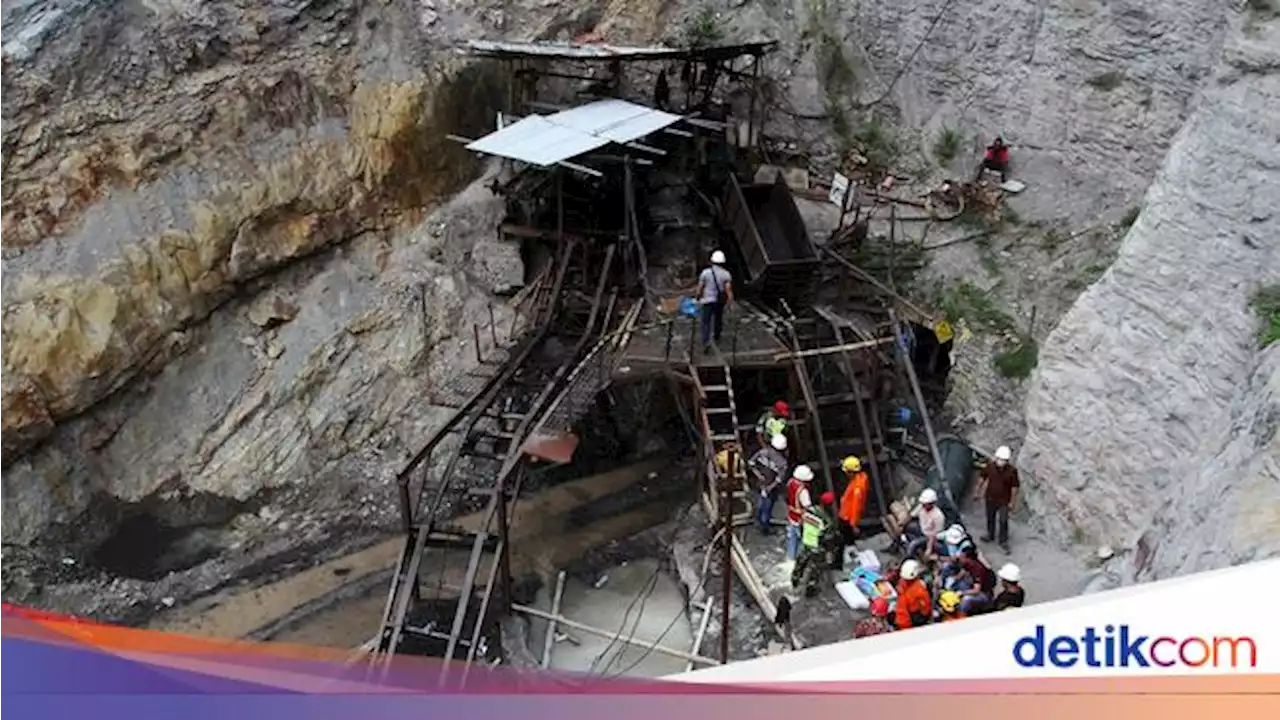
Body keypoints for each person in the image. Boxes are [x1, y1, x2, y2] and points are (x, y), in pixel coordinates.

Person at [792, 491, 839, 597]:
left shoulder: (809, 511)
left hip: (805, 542)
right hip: (817, 547)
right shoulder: (826, 521)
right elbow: (828, 539)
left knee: (800, 564)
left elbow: (801, 524)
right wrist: (830, 552)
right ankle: (810, 590)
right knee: (815, 570)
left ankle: (795, 581)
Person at [974, 445, 1020, 553]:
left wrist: (1012, 502)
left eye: (1003, 460)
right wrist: (977, 491)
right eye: (999, 459)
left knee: (1003, 520)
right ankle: (990, 535)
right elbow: (982, 478)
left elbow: (1014, 487)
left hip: (1004, 500)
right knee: (990, 517)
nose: (1001, 462)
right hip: (990, 498)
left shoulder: (1012, 471)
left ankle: (1003, 541)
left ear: (1007, 461)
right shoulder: (990, 466)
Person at [748, 434, 790, 536]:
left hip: (760, 483)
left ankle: (757, 521)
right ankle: (765, 528)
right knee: (767, 507)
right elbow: (779, 479)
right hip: (771, 487)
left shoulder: (763, 452)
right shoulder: (782, 463)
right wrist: (770, 488)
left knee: (760, 503)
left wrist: (758, 475)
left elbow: (751, 463)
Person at [695, 250, 733, 351]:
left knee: (705, 322)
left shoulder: (705, 273)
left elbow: (700, 288)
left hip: (707, 300)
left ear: (712, 261)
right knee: (718, 319)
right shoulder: (726, 274)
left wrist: (697, 298)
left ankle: (706, 341)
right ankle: (717, 336)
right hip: (719, 301)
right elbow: (728, 290)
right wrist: (730, 303)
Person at [784, 464, 815, 561]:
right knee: (801, 539)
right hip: (800, 518)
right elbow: (807, 507)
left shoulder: (790, 482)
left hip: (791, 514)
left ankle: (790, 557)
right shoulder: (803, 491)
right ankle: (799, 559)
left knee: (791, 538)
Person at [905, 488, 947, 559]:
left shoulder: (938, 516)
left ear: (932, 503)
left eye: (926, 504)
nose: (924, 505)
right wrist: (902, 524)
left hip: (929, 537)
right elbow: (911, 516)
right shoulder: (921, 507)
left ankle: (909, 559)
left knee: (913, 545)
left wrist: (929, 548)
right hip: (921, 529)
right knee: (909, 527)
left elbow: (935, 535)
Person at [837, 456, 870, 547]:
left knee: (847, 540)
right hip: (846, 515)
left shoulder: (857, 487)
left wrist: (853, 524)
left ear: (851, 472)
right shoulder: (861, 478)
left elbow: (856, 506)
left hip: (847, 518)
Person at [893, 559, 933, 630]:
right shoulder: (919, 589)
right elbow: (926, 607)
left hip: (904, 617)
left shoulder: (901, 584)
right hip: (912, 617)